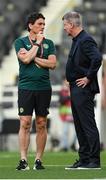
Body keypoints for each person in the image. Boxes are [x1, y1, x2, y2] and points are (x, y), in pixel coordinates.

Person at [14, 12, 56, 170]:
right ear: (30, 25)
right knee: (24, 123)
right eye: (39, 24)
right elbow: (24, 60)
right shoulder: (20, 42)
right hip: (26, 88)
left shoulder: (49, 43)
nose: (42, 27)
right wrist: (37, 44)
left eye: (44, 24)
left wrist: (34, 58)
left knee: (41, 123)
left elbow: (52, 64)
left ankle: (38, 160)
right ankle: (23, 160)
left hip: (44, 88)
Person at [62, 11, 102, 169]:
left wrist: (88, 77)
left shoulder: (85, 40)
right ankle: (84, 159)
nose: (64, 28)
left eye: (65, 25)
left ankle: (94, 160)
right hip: (76, 88)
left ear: (71, 24)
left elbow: (97, 58)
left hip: (83, 88)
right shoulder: (77, 40)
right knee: (79, 125)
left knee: (87, 125)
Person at [59, 79, 77, 152]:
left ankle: (74, 144)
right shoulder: (62, 91)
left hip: (73, 114)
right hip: (65, 115)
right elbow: (61, 101)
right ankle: (64, 146)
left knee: (76, 131)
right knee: (65, 131)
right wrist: (68, 96)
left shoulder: (74, 89)